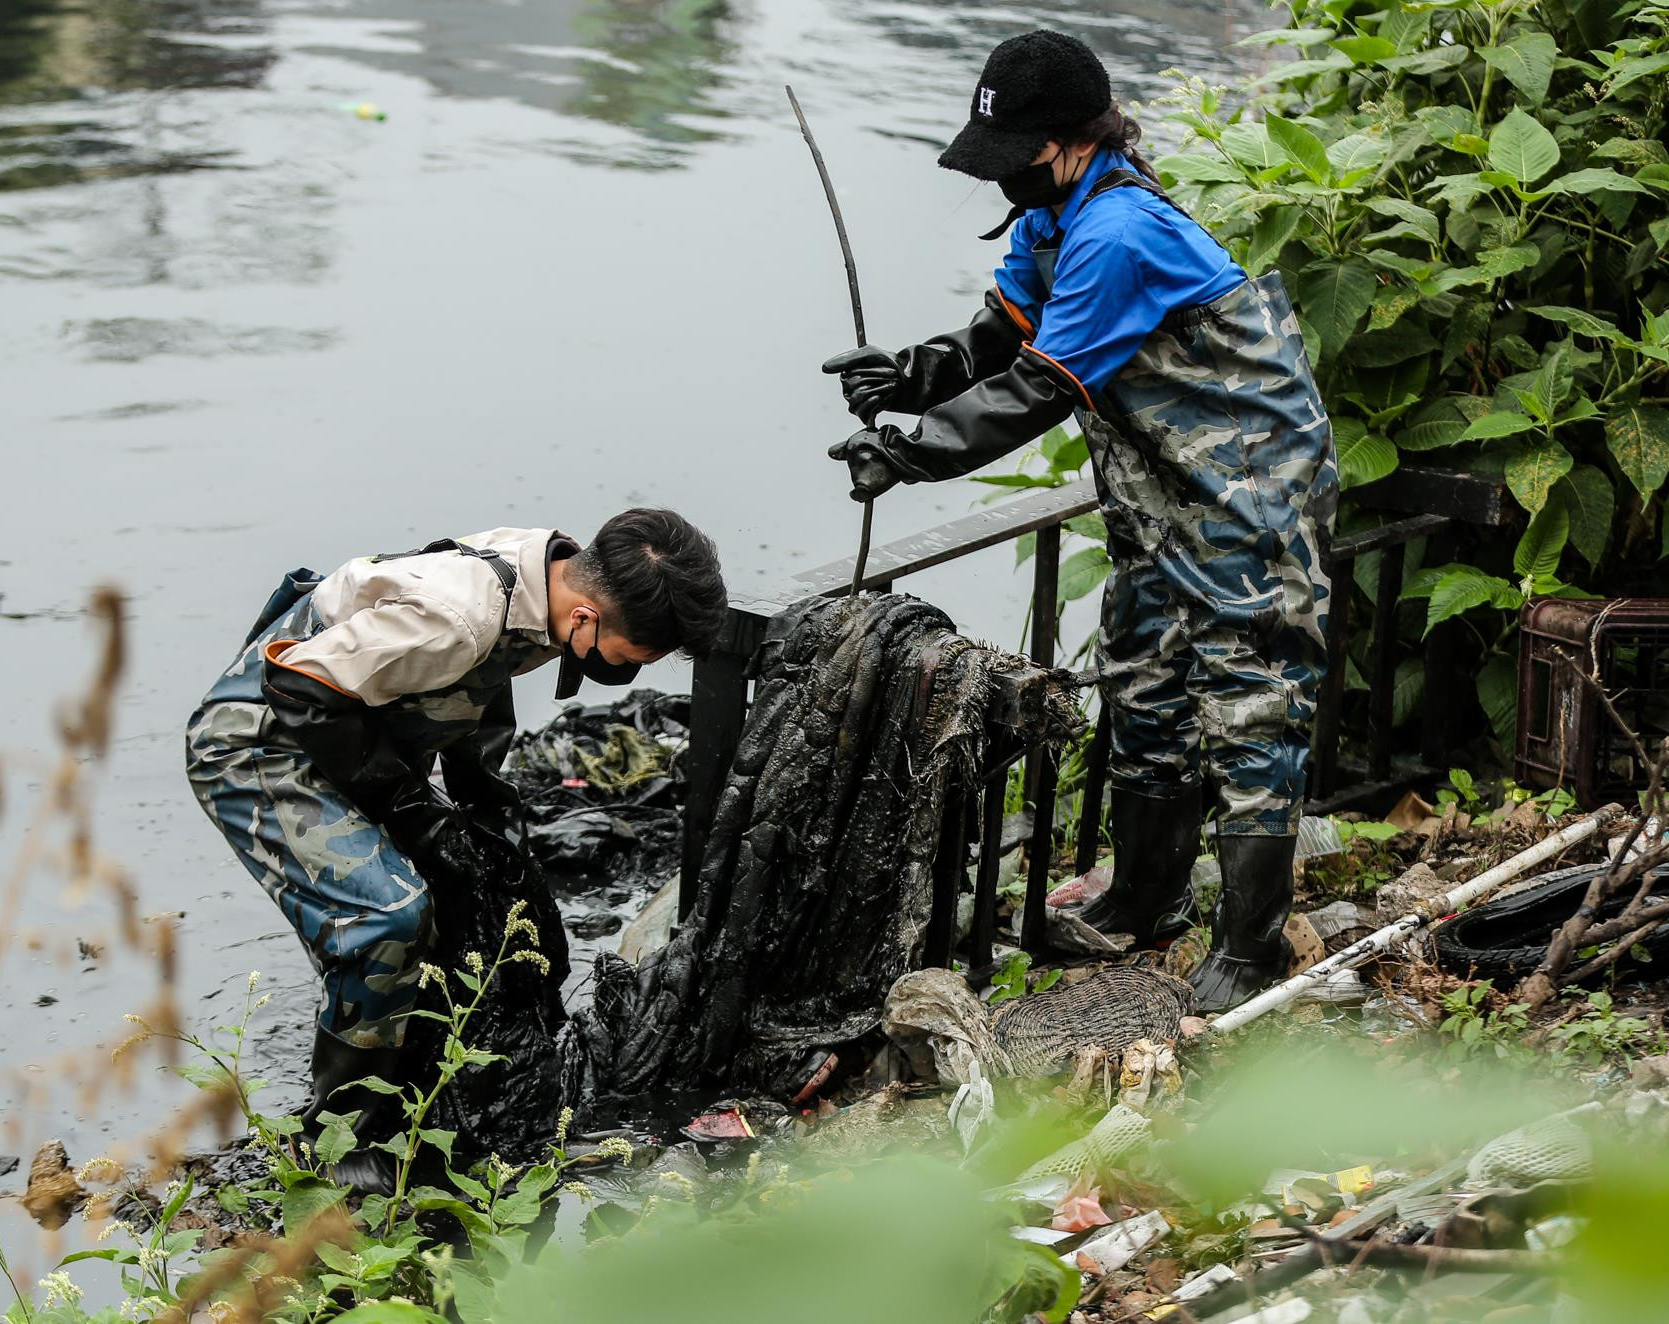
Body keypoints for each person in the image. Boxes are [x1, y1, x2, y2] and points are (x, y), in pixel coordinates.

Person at [822, 31, 1338, 1014]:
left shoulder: (1115, 234)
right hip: (1161, 491)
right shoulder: (1053, 221)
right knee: (1143, 684)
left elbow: (1035, 389)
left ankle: (1250, 939)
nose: (998, 179)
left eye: (1009, 156)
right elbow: (1001, 334)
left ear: (1059, 144)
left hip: (1248, 489)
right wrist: (909, 375)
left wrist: (907, 452)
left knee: (1248, 701)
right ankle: (1144, 895)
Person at [186, 511, 728, 1189]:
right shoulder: (460, 616)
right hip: (260, 742)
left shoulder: (548, 574)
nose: (623, 673)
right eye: (631, 659)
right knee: (388, 918)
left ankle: (408, 1074)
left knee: (481, 887)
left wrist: (477, 805)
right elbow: (300, 685)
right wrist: (412, 812)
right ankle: (342, 1139)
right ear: (586, 620)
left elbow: (474, 683)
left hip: (353, 725)